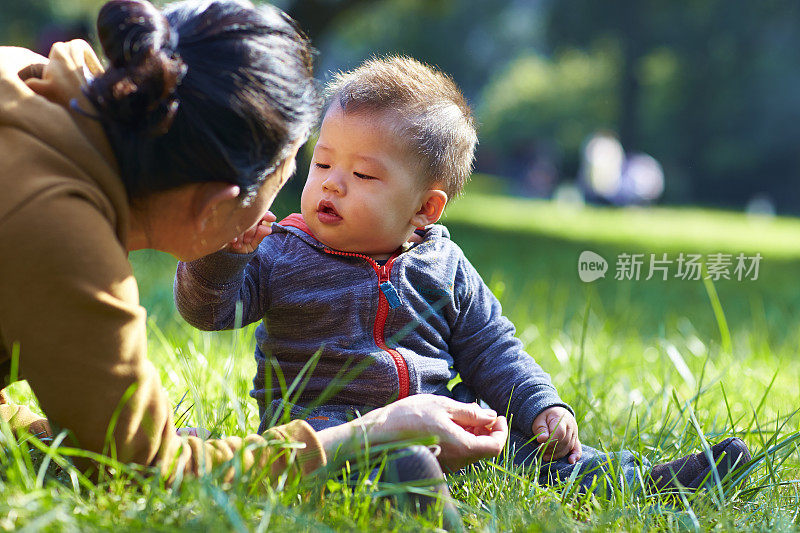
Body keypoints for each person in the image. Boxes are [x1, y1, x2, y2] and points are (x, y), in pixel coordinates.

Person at [174, 56, 751, 492]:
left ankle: (633, 478)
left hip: (439, 414)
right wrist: (222, 255)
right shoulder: (282, 251)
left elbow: (491, 347)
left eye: (364, 175)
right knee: (368, 461)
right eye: (323, 162)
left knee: (521, 443)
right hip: (328, 423)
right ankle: (405, 485)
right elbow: (208, 312)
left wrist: (541, 406)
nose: (330, 182)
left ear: (425, 208)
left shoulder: (443, 265)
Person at [0, 0, 508, 490]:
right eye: (299, 172)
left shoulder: (25, 80)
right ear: (217, 203)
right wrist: (373, 432)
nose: (316, 192)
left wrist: (45, 432)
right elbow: (146, 468)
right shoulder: (63, 239)